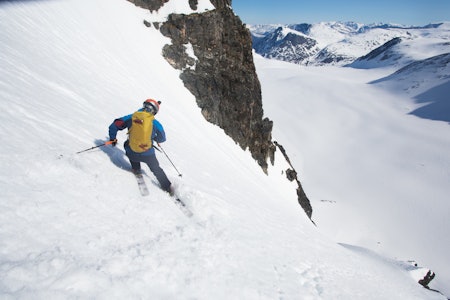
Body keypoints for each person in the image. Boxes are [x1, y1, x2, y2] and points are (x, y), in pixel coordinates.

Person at [108, 99, 172, 194]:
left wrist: (113, 139)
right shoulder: (155, 123)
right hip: (148, 154)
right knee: (156, 169)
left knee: (129, 146)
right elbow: (162, 138)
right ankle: (167, 187)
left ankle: (136, 169)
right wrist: (154, 138)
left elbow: (114, 125)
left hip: (131, 153)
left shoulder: (132, 117)